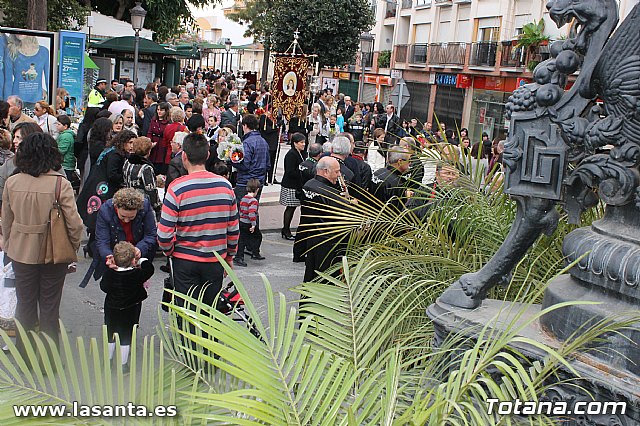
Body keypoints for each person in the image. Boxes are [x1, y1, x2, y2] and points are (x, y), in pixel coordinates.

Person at [2, 132, 84, 357]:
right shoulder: (60, 184)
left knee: (25, 305)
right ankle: (48, 358)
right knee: (49, 307)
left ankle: (24, 355)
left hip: (20, 250)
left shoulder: (12, 182)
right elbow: (74, 224)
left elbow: (6, 221)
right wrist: (73, 246)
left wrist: (8, 246)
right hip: (53, 251)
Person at [157, 133, 239, 309]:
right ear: (207, 155)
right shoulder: (225, 187)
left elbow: (164, 234)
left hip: (184, 259)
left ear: (184, 156)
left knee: (187, 311)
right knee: (210, 312)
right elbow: (233, 229)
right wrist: (229, 256)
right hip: (215, 259)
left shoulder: (176, 188)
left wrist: (169, 251)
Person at [100, 241, 154, 373]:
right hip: (131, 309)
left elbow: (104, 287)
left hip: (111, 308)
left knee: (110, 334)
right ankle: (123, 365)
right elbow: (150, 269)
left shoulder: (109, 274)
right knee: (126, 336)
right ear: (133, 261)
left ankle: (108, 360)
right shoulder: (136, 275)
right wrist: (141, 260)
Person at [300, 156, 352, 282]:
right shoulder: (330, 193)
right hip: (329, 245)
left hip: (312, 239)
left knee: (311, 276)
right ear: (325, 171)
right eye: (336, 172)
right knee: (326, 281)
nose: (339, 175)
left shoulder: (308, 185)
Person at [0, 122, 42, 210]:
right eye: (14, 137)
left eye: (18, 138)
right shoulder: (9, 164)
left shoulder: (51, 165)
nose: (14, 141)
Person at [234, 114, 270, 204]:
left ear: (245, 126)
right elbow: (268, 164)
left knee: (243, 210)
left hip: (246, 182)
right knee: (253, 208)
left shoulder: (247, 143)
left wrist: (232, 161)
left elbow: (245, 165)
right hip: (259, 181)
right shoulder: (263, 141)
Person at [123, 137, 161, 216]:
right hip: (142, 206)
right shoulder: (146, 168)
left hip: (127, 199)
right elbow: (151, 190)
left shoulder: (127, 162)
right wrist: (157, 207)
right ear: (149, 151)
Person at [280, 133, 306, 240]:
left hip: (296, 185)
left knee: (292, 208)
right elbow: (290, 171)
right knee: (290, 208)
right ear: (295, 143)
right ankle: (286, 229)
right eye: (301, 142)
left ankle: (286, 229)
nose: (303, 144)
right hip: (290, 185)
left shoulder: (300, 153)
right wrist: (301, 172)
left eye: (304, 142)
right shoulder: (291, 154)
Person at [370, 146, 413, 211]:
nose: (410, 163)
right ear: (400, 162)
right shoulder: (398, 183)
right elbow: (398, 210)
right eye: (409, 160)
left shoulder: (377, 173)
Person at [234, 178, 264, 267]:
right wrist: (253, 224)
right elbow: (252, 213)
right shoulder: (253, 201)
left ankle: (239, 256)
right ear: (257, 189)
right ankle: (255, 252)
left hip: (242, 221)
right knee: (258, 236)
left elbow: (241, 210)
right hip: (248, 223)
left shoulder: (244, 198)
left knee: (242, 239)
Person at [55, 114, 78, 190]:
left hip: (66, 163)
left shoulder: (66, 136)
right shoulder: (64, 134)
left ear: (65, 126)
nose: (57, 126)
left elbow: (61, 150)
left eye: (59, 124)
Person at [147, 102, 171, 175]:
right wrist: (149, 141)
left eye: (161, 110)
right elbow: (149, 132)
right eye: (158, 110)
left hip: (162, 146)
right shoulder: (153, 120)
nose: (159, 112)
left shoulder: (168, 123)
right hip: (153, 145)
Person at [259, 108, 279, 184]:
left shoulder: (275, 116)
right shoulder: (264, 117)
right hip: (267, 141)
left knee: (273, 161)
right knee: (266, 161)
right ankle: (264, 178)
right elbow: (266, 129)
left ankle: (272, 177)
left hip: (274, 141)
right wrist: (276, 127)